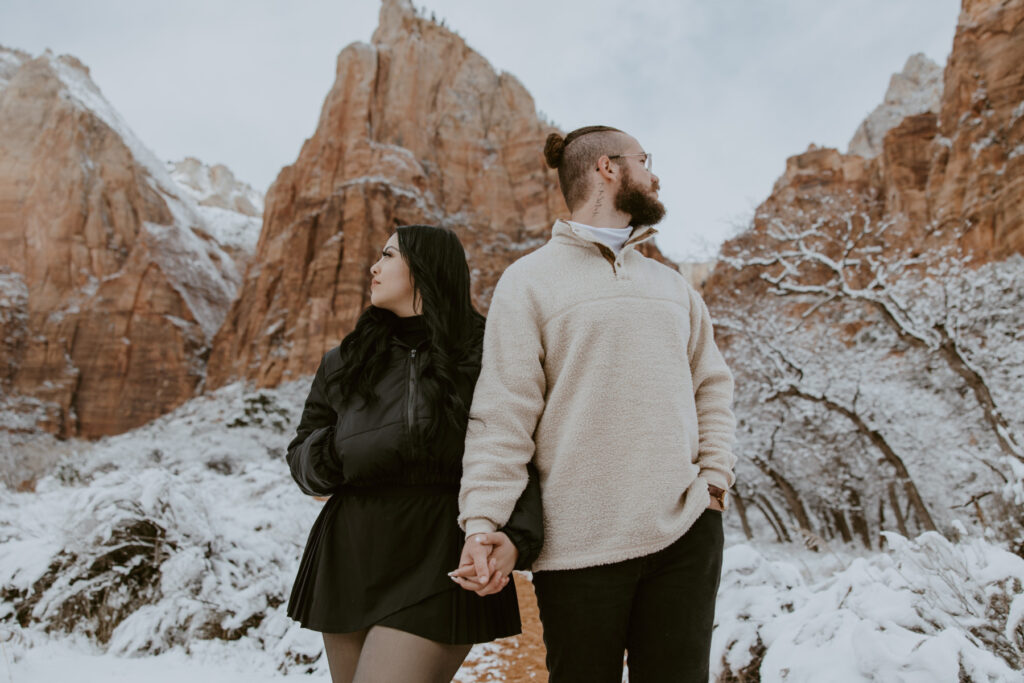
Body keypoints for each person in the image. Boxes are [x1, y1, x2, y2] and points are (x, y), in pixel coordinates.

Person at [453, 126, 737, 683]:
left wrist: (714, 481)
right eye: (643, 160)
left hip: (685, 532)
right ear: (607, 168)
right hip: (577, 546)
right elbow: (502, 413)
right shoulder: (527, 282)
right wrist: (482, 520)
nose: (654, 174)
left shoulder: (672, 284)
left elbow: (713, 383)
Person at [286, 224, 543, 683]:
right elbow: (302, 458)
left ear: (424, 268)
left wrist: (519, 538)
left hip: (441, 548)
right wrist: (340, 450)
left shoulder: (487, 350)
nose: (374, 266)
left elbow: (523, 448)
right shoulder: (344, 359)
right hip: (351, 551)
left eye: (388, 255)